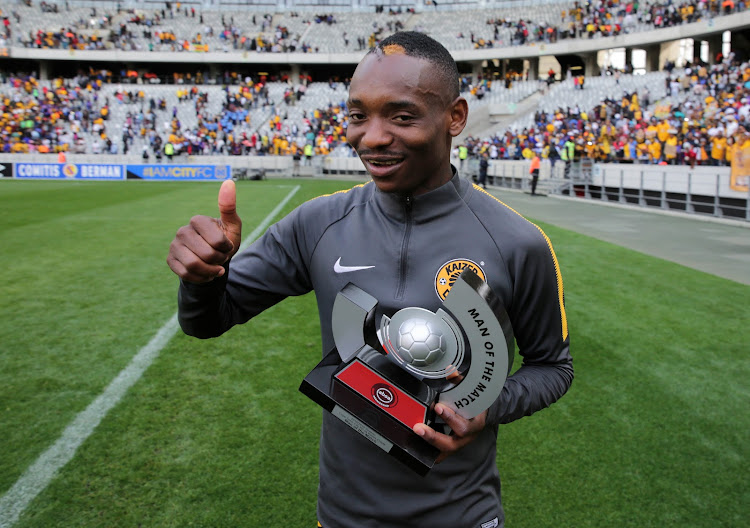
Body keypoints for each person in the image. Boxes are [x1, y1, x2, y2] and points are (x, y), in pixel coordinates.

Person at [167, 31, 572, 528]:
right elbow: (209, 320)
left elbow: (553, 366)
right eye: (358, 115)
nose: (372, 137)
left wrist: (488, 407)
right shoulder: (317, 224)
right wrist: (204, 277)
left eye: (402, 116)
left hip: (463, 516)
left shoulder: (518, 242)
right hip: (343, 518)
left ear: (455, 117)